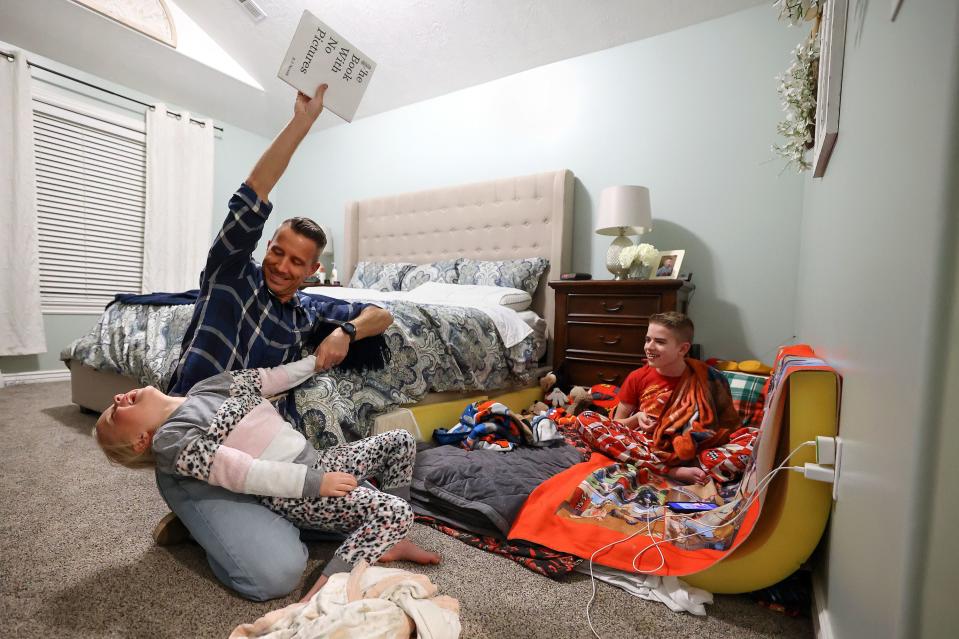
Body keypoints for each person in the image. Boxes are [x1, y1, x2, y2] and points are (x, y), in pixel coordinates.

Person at [154, 85, 395, 601]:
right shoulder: (230, 276)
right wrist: (302, 124)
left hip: (264, 456)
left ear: (314, 272)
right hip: (197, 451)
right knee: (278, 576)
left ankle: (219, 526)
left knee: (361, 500)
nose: (281, 266)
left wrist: (346, 329)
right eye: (277, 252)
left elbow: (384, 314)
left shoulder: (306, 312)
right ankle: (197, 513)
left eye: (296, 262)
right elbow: (252, 196)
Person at [94, 356, 440, 603]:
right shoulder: (173, 439)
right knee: (394, 512)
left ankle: (391, 541)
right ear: (141, 440)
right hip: (295, 491)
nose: (115, 399)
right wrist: (314, 483)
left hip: (316, 460)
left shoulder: (206, 388)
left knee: (401, 441)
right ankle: (328, 589)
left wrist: (316, 362)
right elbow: (244, 472)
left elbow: (270, 378)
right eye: (114, 414)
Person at [577, 312, 746, 485]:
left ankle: (691, 464)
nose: (649, 347)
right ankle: (671, 471)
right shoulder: (637, 377)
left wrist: (691, 438)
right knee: (585, 419)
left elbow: (728, 428)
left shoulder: (709, 377)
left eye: (660, 342)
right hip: (650, 447)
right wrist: (637, 418)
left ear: (683, 349)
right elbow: (617, 424)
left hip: (697, 448)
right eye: (647, 339)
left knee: (753, 440)